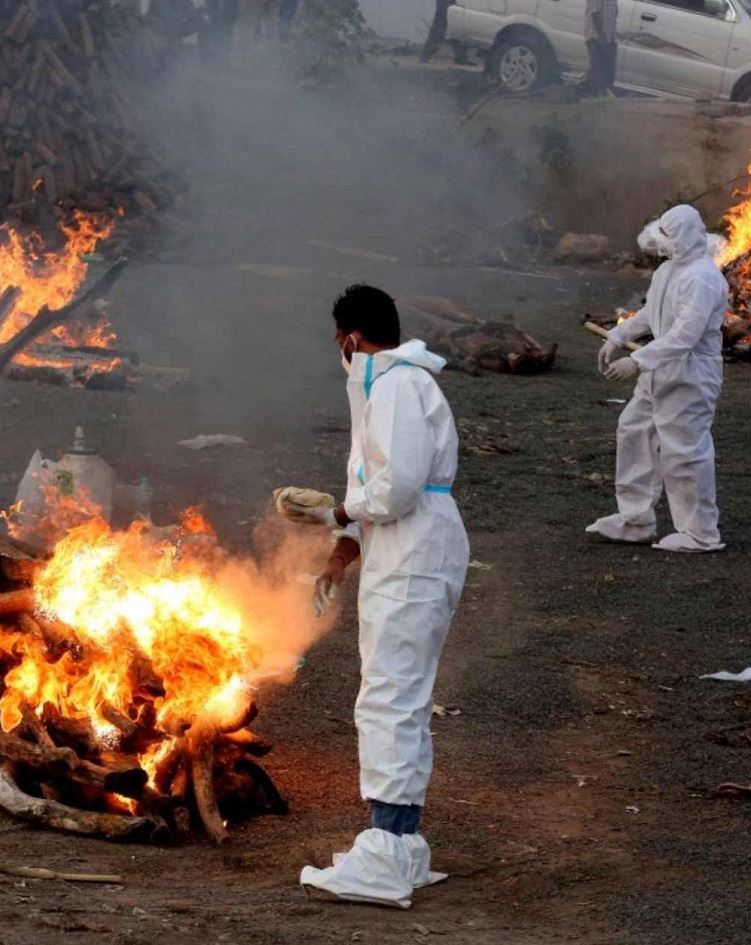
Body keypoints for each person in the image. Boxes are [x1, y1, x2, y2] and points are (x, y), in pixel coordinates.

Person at [285, 284, 470, 908]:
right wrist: (340, 551)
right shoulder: (382, 388)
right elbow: (377, 493)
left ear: (351, 339)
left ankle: (387, 852)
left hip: (415, 548)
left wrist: (335, 510)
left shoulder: (394, 386)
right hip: (404, 548)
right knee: (397, 693)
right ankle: (404, 845)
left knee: (390, 696)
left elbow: (396, 491)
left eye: (338, 344)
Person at [591, 205, 728, 553]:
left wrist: (636, 361)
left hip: (691, 373)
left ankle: (700, 533)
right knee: (634, 431)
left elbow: (686, 334)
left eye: (669, 237)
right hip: (661, 368)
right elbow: (652, 314)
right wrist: (617, 337)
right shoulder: (668, 271)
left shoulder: (703, 277)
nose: (662, 244)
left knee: (684, 449)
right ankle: (636, 520)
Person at [581, 0, 618, 95]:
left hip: (608, 38)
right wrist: (603, 38)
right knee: (597, 74)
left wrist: (612, 38)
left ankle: (598, 99)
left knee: (606, 75)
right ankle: (588, 99)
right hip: (597, 37)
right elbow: (595, 14)